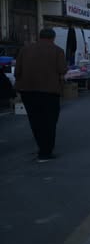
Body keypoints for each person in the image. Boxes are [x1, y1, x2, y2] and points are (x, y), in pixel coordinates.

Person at [15, 28, 67, 162]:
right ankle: (46, 151)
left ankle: (41, 147)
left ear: (39, 37)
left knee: (35, 120)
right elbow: (62, 70)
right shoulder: (57, 51)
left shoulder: (25, 50)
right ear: (53, 38)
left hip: (28, 90)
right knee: (50, 121)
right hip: (50, 91)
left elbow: (17, 71)